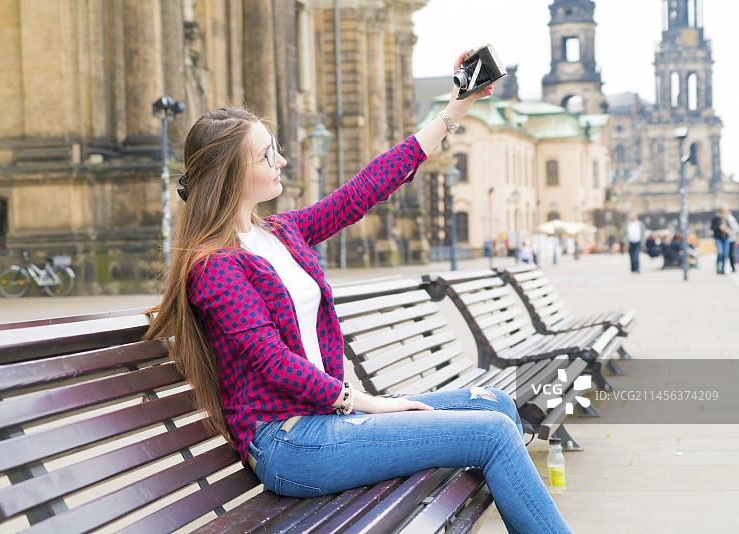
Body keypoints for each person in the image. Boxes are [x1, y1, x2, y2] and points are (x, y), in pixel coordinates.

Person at [144, 51, 572, 534]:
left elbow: (361, 191)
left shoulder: (280, 232)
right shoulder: (213, 265)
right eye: (266, 154)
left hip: (327, 420)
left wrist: (456, 108)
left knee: (495, 404)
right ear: (230, 173)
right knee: (491, 433)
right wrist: (366, 402)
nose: (281, 159)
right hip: (291, 443)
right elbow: (273, 364)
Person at [711, 207, 731, 274]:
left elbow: (729, 227)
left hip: (725, 238)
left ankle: (723, 269)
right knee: (720, 252)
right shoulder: (716, 218)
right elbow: (712, 228)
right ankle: (718, 266)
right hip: (718, 238)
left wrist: (727, 230)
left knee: (725, 254)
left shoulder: (726, 219)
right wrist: (719, 228)